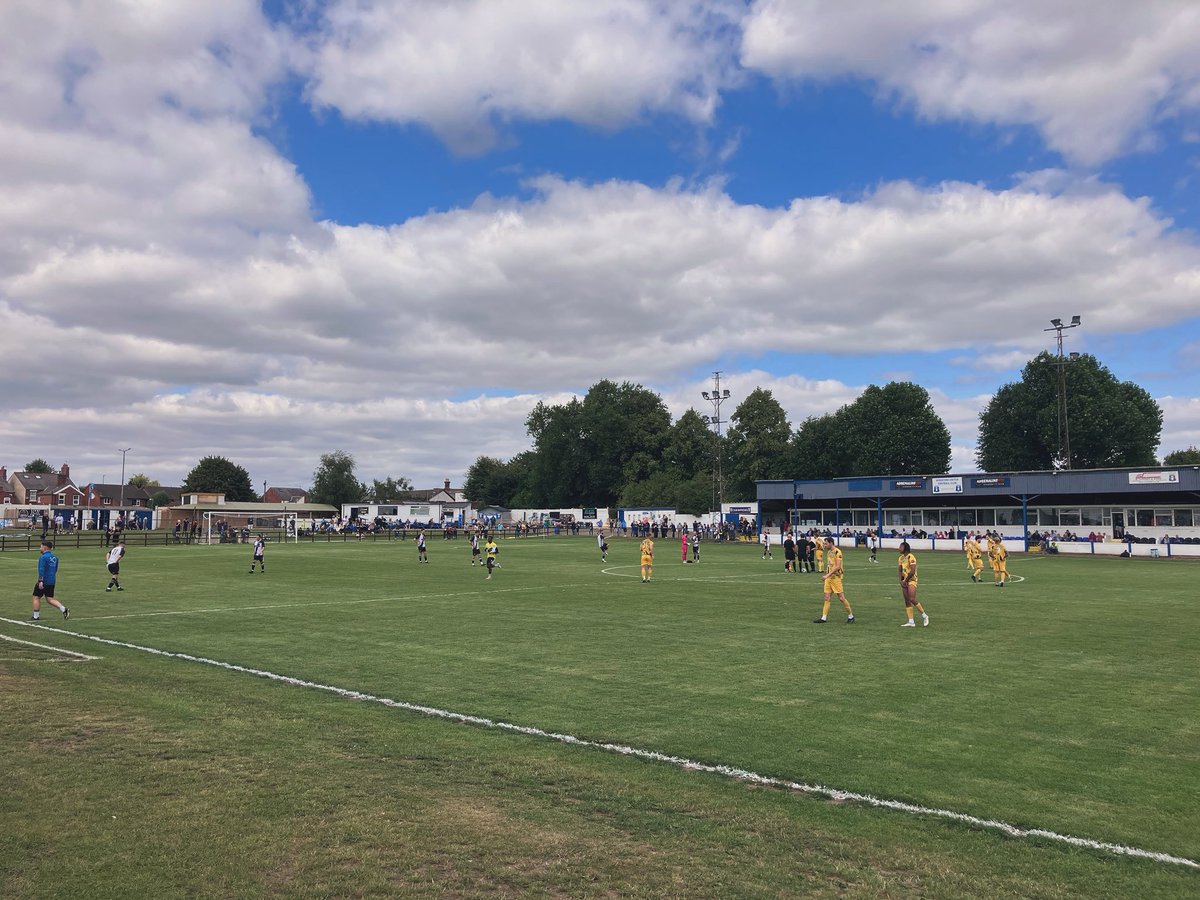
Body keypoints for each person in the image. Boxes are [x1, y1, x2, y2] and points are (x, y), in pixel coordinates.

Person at [814, 537, 854, 624]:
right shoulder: (828, 552)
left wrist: (827, 575)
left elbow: (838, 566)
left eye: (826, 543)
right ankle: (823, 618)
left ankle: (851, 616)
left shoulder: (837, 552)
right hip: (829, 579)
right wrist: (827, 573)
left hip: (836, 578)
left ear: (831, 543)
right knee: (827, 598)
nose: (825, 545)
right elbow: (830, 564)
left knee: (841, 598)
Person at [32, 540, 69, 620]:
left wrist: (41, 580)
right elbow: (55, 569)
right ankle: (64, 609)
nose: (40, 548)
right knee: (49, 599)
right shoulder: (55, 558)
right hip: (52, 580)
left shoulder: (43, 557)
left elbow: (41, 569)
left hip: (44, 580)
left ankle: (36, 616)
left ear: (44, 547)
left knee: (36, 597)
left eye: (40, 547)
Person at [898, 541, 929, 627]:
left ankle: (925, 616)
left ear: (905, 548)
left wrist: (905, 580)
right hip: (904, 580)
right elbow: (900, 570)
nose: (899, 548)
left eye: (901, 547)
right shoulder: (900, 558)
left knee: (912, 598)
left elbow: (912, 571)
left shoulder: (911, 557)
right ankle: (911, 621)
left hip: (912, 580)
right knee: (907, 600)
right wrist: (901, 581)